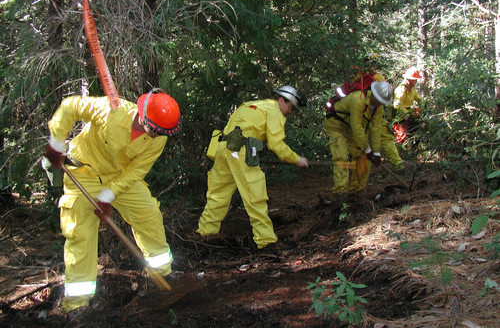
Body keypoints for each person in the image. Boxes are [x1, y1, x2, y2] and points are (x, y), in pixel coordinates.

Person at [43, 88, 182, 313]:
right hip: (83, 173)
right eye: (154, 130)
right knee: (81, 233)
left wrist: (108, 195)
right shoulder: (110, 110)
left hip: (119, 177)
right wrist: (56, 144)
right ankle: (78, 306)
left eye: (161, 133)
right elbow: (70, 106)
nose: (156, 136)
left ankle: (163, 274)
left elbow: (137, 170)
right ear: (142, 115)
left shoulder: (159, 138)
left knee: (149, 215)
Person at [196, 85, 309, 250]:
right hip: (240, 152)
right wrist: (296, 159)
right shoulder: (274, 111)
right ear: (281, 100)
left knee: (217, 196)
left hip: (223, 149)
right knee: (255, 196)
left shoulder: (252, 104)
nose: (290, 112)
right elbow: (276, 144)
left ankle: (204, 234)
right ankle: (266, 242)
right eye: (290, 107)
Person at [324, 81, 393, 194]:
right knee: (342, 157)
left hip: (351, 130)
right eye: (379, 101)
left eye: (383, 102)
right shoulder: (358, 99)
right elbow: (357, 127)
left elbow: (375, 129)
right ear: (374, 95)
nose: (380, 104)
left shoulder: (378, 108)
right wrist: (366, 148)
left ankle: (356, 191)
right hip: (336, 126)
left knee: (364, 158)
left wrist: (376, 153)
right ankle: (340, 192)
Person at [364, 54, 404, 168]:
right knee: (386, 138)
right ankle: (397, 164)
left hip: (360, 114)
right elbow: (385, 98)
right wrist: (389, 117)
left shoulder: (357, 76)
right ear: (375, 65)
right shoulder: (378, 78)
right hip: (375, 114)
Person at [393, 66, 423, 144]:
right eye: (415, 79)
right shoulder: (401, 89)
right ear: (411, 79)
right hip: (400, 115)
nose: (416, 81)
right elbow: (397, 105)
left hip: (409, 112)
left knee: (416, 129)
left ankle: (414, 147)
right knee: (403, 135)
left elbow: (419, 99)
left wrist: (424, 106)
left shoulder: (413, 89)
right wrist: (407, 113)